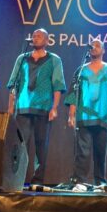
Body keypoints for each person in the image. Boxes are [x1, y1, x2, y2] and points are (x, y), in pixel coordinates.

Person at [63, 40, 107, 190]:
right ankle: (80, 181)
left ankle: (100, 182)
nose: (93, 48)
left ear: (103, 51)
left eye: (97, 46)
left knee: (100, 152)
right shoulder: (81, 71)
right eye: (92, 46)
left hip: (104, 116)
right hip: (84, 117)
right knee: (82, 152)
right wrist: (71, 115)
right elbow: (73, 95)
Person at [7, 28, 66, 185]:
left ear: (47, 41)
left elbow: (58, 85)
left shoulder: (54, 60)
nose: (35, 38)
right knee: (21, 144)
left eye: (39, 36)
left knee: (41, 146)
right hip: (23, 107)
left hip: (44, 107)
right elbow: (13, 83)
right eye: (33, 36)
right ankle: (17, 179)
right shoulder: (22, 59)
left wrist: (55, 107)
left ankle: (37, 180)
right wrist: (11, 106)